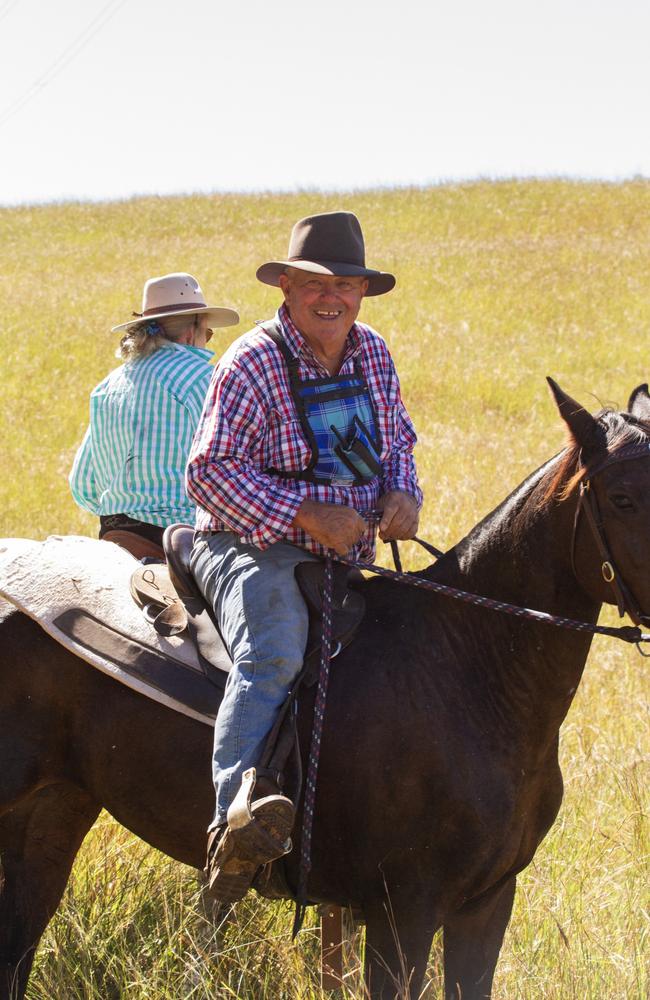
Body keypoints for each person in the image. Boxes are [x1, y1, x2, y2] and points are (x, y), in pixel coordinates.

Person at [186, 212, 422, 902]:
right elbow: (207, 473)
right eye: (317, 283)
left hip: (347, 552)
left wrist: (403, 493)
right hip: (248, 542)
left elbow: (398, 442)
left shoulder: (372, 351)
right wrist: (302, 513)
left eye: (347, 285)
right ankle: (233, 827)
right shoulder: (253, 359)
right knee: (277, 648)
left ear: (362, 293)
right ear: (286, 285)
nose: (334, 296)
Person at [69, 273, 239, 559]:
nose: (207, 342)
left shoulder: (106, 388)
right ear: (191, 331)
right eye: (208, 334)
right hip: (182, 538)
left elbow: (83, 486)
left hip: (113, 535)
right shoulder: (207, 381)